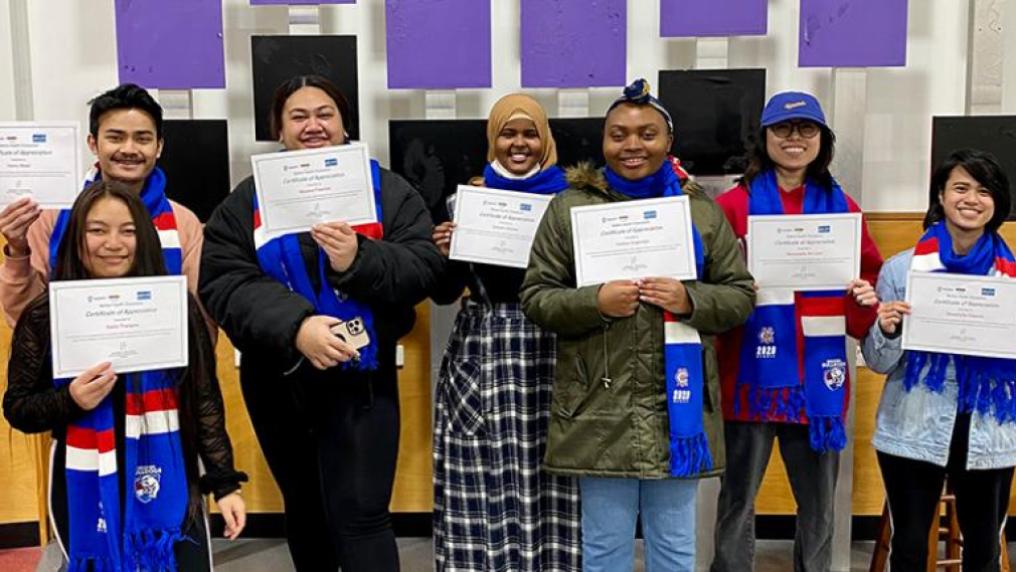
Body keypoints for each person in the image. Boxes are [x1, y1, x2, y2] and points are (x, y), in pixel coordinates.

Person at [199, 75, 443, 572]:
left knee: (361, 515)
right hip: (277, 381)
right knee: (306, 512)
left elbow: (422, 266)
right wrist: (299, 327)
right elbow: (224, 282)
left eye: (325, 113)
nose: (314, 125)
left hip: (362, 380)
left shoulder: (387, 191)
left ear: (344, 122)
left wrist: (359, 257)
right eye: (299, 116)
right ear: (279, 130)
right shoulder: (246, 202)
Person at [520, 79, 756, 572]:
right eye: (618, 134)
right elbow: (537, 297)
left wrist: (690, 298)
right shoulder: (569, 209)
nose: (631, 146)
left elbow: (740, 295)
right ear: (603, 141)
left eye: (647, 134)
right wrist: (596, 302)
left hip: (679, 405)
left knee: (674, 544)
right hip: (596, 405)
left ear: (668, 142)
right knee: (604, 546)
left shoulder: (699, 211)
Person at [3, 181, 246, 571]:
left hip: (170, 475)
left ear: (145, 237)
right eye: (97, 230)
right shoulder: (46, 313)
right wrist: (71, 400)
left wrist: (225, 483)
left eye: (128, 230)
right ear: (76, 237)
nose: (113, 243)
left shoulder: (174, 305)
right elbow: (18, 408)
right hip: (84, 476)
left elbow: (203, 397)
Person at [710, 91, 883, 572]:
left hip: (817, 379)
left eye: (806, 129)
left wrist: (864, 300)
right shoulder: (732, 206)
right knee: (738, 500)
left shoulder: (843, 208)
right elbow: (712, 292)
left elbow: (864, 283)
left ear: (822, 142)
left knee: (819, 509)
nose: (794, 139)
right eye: (782, 129)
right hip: (748, 375)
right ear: (763, 139)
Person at [431, 94, 581, 571]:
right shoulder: (463, 200)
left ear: (546, 140)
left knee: (553, 471)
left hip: (553, 345)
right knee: (484, 472)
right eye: (507, 133)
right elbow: (442, 293)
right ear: (492, 139)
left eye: (529, 133)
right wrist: (447, 253)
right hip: (484, 352)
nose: (519, 144)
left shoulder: (573, 203)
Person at [862, 149, 1015, 571]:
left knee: (983, 552)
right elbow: (877, 361)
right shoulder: (902, 269)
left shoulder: (1012, 277)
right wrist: (889, 329)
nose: (971, 199)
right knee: (909, 549)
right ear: (941, 196)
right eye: (961, 188)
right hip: (912, 423)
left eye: (984, 191)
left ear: (997, 203)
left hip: (989, 431)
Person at [0, 84, 207, 330]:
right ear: (93, 143)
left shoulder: (184, 222)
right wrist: (17, 250)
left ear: (159, 146)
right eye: (115, 137)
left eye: (142, 139)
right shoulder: (51, 217)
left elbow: (200, 319)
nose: (129, 149)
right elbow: (27, 317)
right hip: (73, 365)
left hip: (160, 364)